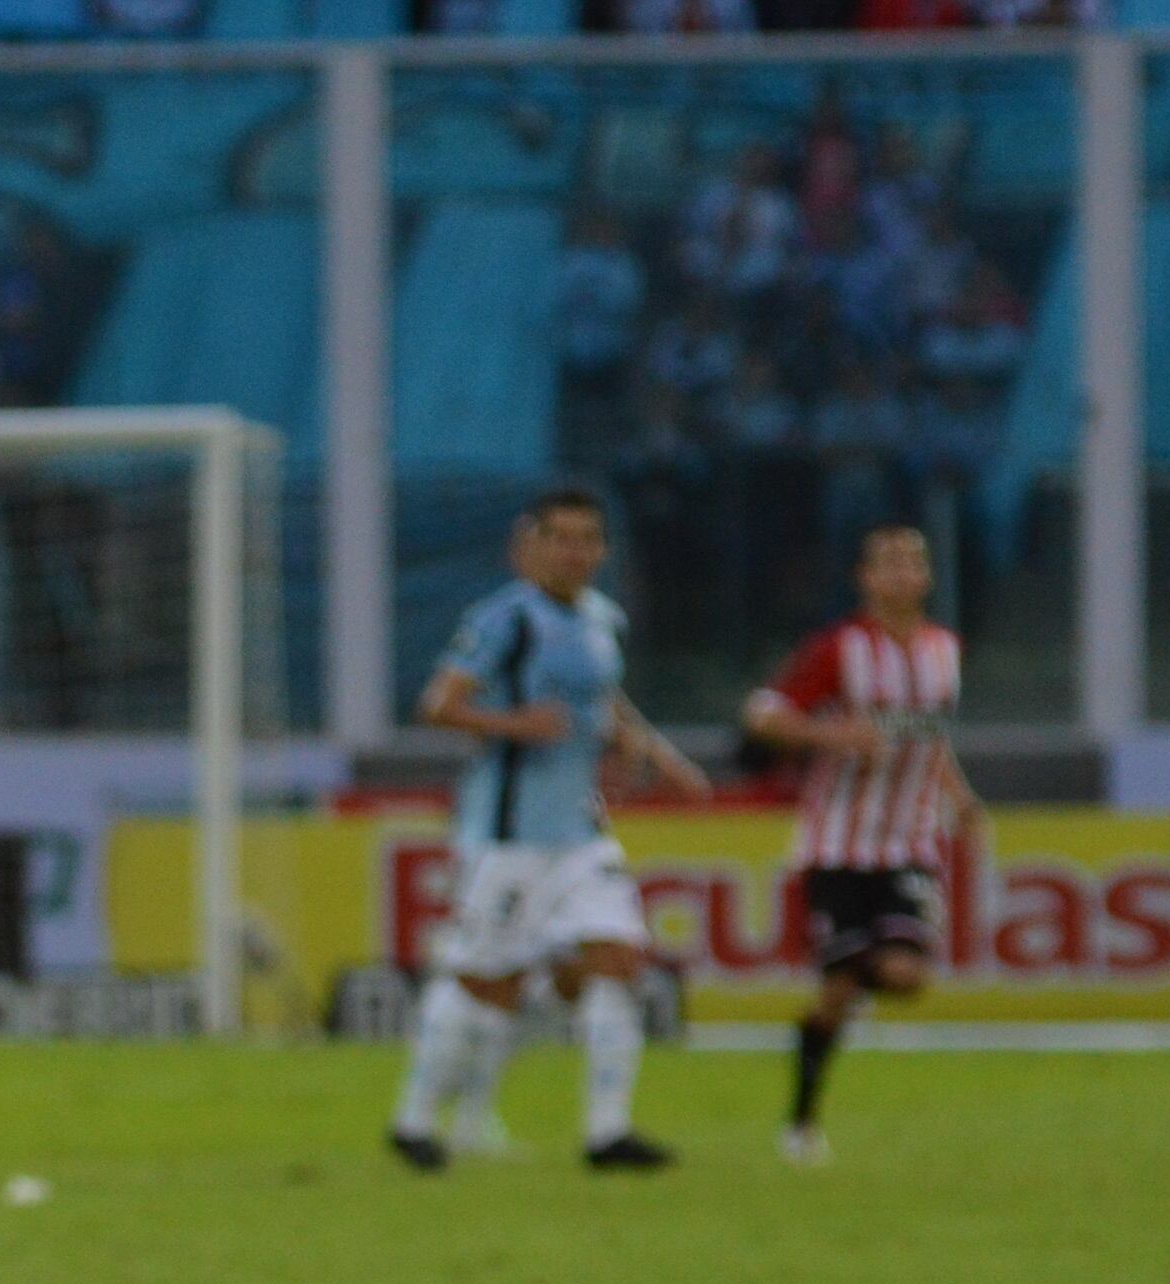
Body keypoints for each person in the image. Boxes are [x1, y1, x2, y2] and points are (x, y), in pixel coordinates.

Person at [389, 489, 711, 1176]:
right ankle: (415, 1121)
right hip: (507, 835)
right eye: (560, 537)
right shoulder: (504, 620)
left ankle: (607, 1134)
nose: (575, 551)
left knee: (619, 960)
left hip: (581, 829)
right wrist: (515, 725)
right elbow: (438, 705)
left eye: (587, 538)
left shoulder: (600, 617)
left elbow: (604, 700)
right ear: (530, 545)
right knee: (487, 983)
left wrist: (653, 752)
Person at [743, 523, 975, 1166]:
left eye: (914, 562)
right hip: (838, 843)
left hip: (910, 842)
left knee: (903, 976)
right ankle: (801, 1121)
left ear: (927, 578)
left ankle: (856, 963)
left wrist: (959, 796)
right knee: (840, 996)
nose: (903, 574)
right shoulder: (836, 649)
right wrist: (834, 738)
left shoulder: (945, 650)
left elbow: (928, 738)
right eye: (889, 564)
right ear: (865, 579)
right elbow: (762, 714)